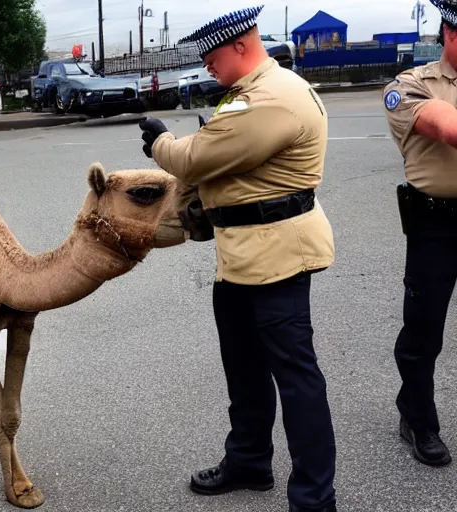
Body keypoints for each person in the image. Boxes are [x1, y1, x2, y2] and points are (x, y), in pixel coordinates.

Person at [139, 5, 337, 511]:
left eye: (211, 55)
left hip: (277, 259)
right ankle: (250, 461)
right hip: (244, 256)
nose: (206, 65)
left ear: (241, 48)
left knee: (296, 381)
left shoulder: (271, 98)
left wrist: (160, 141)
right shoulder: (251, 94)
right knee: (244, 371)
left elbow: (194, 157)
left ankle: (314, 499)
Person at [382, 0, 457, 468]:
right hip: (438, 222)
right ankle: (417, 418)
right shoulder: (410, 85)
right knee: (424, 330)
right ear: (451, 34)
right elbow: (446, 127)